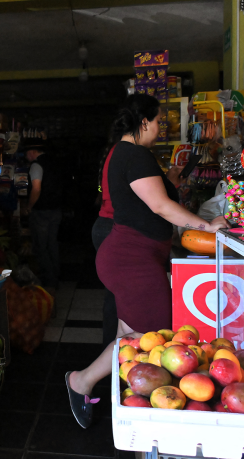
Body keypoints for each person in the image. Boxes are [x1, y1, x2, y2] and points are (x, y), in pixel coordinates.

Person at [65, 94, 228, 429]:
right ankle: (85, 384)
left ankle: (113, 395)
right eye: (156, 122)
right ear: (143, 123)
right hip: (131, 260)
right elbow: (160, 206)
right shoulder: (135, 154)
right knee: (152, 336)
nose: (158, 128)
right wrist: (206, 225)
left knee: (130, 337)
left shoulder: (120, 153)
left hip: (129, 256)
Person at [24, 140, 63, 290]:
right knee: (52, 244)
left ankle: (49, 281)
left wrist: (29, 207)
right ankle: (56, 276)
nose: (26, 157)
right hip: (56, 210)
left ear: (32, 152)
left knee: (41, 246)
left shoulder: (36, 165)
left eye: (27, 154)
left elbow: (36, 189)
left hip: (41, 211)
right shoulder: (55, 163)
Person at [92, 143, 118, 347]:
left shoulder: (110, 159)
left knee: (113, 295)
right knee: (116, 297)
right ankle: (112, 350)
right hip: (112, 228)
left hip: (103, 226)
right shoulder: (123, 156)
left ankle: (110, 349)